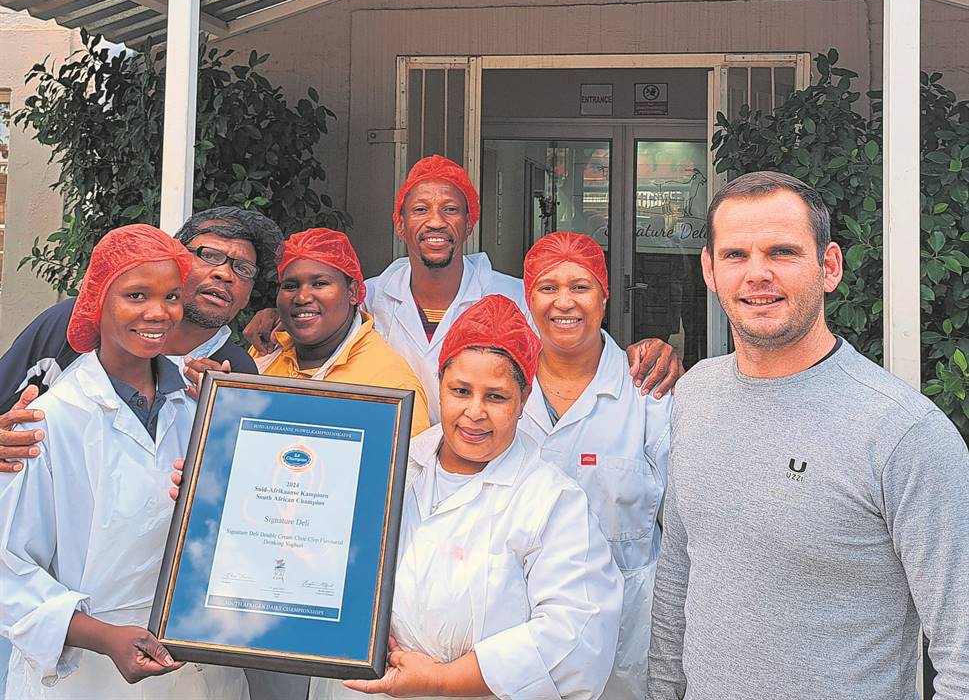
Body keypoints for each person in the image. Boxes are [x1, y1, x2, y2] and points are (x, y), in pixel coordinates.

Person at [646, 171, 969, 700]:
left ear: (830, 267)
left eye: (783, 252)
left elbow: (962, 647)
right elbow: (679, 568)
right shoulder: (695, 395)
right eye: (735, 255)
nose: (757, 274)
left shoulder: (904, 433)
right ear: (709, 270)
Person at [310, 293, 623, 700]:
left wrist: (442, 680)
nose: (475, 412)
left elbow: (574, 636)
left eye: (496, 396)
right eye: (460, 391)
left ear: (523, 400)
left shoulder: (552, 502)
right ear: (440, 384)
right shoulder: (391, 465)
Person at [0, 225, 248, 700]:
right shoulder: (51, 419)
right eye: (136, 295)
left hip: (199, 666)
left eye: (171, 296)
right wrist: (104, 637)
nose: (158, 312)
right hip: (88, 675)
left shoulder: (203, 407)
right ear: (97, 301)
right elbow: (8, 570)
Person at [246, 156, 684, 422]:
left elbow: (577, 340)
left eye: (450, 210)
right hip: (399, 466)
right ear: (400, 224)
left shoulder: (515, 298)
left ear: (469, 224)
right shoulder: (370, 297)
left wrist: (644, 352)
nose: (435, 221)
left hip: (490, 470)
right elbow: (311, 328)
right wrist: (274, 317)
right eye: (421, 209)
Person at [0, 206, 282, 475]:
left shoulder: (236, 373)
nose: (225, 274)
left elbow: (241, 477)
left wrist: (223, 416)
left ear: (249, 295)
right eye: (209, 255)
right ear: (174, 263)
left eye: (244, 269)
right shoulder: (74, 323)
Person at [519, 231, 670, 700]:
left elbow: (686, 525)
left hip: (626, 637)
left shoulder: (647, 394)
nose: (564, 302)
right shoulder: (504, 389)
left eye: (580, 287)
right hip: (519, 628)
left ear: (604, 298)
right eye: (548, 287)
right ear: (528, 299)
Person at [248, 227, 430, 434]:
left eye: (319, 284)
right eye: (290, 286)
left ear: (352, 292)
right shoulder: (266, 350)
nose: (301, 297)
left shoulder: (391, 385)